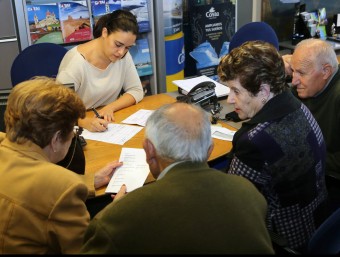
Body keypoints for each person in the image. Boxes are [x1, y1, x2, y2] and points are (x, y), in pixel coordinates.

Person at [80, 102, 274, 254]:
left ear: (149, 151)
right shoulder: (247, 191)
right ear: (210, 151)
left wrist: (118, 209)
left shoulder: (119, 218)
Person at [217, 40, 329, 252]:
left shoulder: (253, 143)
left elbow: (234, 207)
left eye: (236, 91)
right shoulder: (299, 107)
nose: (230, 99)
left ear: (263, 91)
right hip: (316, 221)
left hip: (282, 241)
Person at [0, 77, 122, 254]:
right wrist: (115, 216)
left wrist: (90, 181)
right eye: (74, 130)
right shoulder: (62, 187)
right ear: (56, 139)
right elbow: (88, 251)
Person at [56, 9, 144, 132]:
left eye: (127, 48)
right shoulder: (75, 62)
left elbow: (136, 90)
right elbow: (59, 109)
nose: (121, 52)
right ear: (104, 32)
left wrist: (111, 107)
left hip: (108, 122)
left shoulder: (123, 55)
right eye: (118, 45)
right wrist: (84, 122)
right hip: (77, 125)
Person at [283, 39, 340, 189]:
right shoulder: (306, 86)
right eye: (293, 71)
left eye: (301, 73)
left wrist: (300, 155)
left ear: (326, 71)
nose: (294, 81)